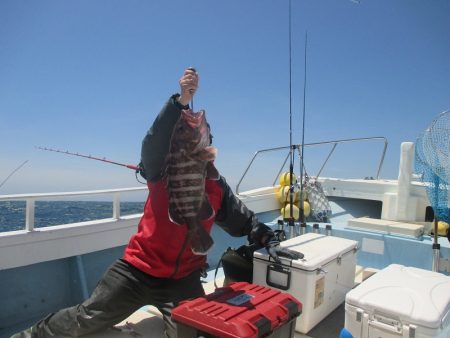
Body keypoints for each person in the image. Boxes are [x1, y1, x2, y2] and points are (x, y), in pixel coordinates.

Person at [12, 68, 300, 338]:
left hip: (183, 279)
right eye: (182, 133)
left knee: (191, 331)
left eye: (203, 132)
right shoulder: (161, 170)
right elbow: (153, 141)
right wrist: (181, 101)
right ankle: (31, 335)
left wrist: (264, 233)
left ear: (209, 143)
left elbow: (241, 220)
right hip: (137, 270)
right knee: (87, 317)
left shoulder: (216, 185)